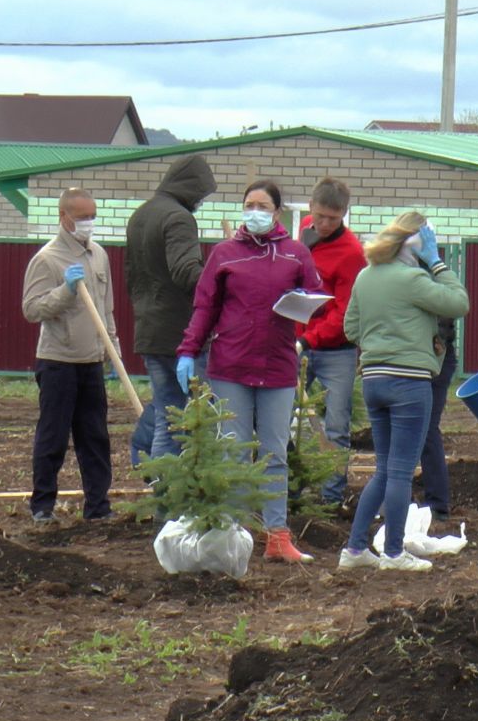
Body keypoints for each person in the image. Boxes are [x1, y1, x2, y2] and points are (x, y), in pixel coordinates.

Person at [177, 180, 326, 562]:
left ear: (277, 212)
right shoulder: (225, 254)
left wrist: (306, 304)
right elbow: (205, 306)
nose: (254, 211)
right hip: (230, 365)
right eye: (249, 204)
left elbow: (319, 299)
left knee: (275, 452)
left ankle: (277, 535)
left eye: (262, 205)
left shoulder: (295, 254)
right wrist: (188, 351)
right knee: (234, 452)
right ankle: (235, 535)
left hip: (276, 366)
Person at [338, 211, 469, 572]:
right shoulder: (413, 278)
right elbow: (458, 304)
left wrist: (384, 340)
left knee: (383, 470)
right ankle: (394, 553)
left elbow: (351, 328)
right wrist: (438, 263)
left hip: (374, 379)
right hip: (409, 381)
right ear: (416, 244)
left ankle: (354, 549)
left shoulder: (366, 277)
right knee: (399, 471)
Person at [20, 188, 116, 523]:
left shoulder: (99, 256)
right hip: (58, 361)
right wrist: (65, 290)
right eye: (82, 217)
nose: (88, 223)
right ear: (64, 218)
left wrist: (112, 351)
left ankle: (98, 507)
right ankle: (43, 506)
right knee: (53, 437)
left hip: (92, 361)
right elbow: (32, 309)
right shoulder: (47, 259)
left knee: (95, 438)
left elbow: (106, 309)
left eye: (92, 216)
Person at [125, 155, 217, 461]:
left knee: (167, 416)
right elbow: (185, 271)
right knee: (191, 420)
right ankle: (180, 495)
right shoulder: (178, 218)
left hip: (149, 330)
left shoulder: (141, 214)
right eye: (201, 195)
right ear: (191, 188)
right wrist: (222, 282)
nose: (200, 201)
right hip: (181, 334)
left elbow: (131, 277)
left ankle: (163, 496)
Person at [297, 177, 366, 509]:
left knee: (336, 424)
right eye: (319, 216)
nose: (324, 224)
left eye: (332, 219)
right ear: (310, 207)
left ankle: (331, 498)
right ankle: (290, 488)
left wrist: (310, 338)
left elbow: (344, 311)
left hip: (336, 350)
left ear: (344, 216)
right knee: (287, 420)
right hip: (298, 343)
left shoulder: (352, 253)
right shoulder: (303, 235)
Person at [416, 316, 458, 520]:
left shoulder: (436, 285)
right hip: (408, 355)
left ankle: (437, 503)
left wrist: (439, 338)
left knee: (426, 427)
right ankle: (395, 499)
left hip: (434, 355)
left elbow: (456, 304)